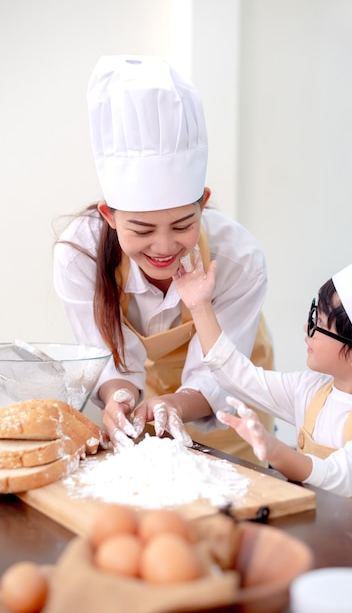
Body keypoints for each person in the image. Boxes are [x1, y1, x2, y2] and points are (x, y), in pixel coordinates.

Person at [53, 54, 274, 463]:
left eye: (182, 225)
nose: (163, 246)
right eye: (140, 230)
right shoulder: (78, 254)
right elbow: (106, 356)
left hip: (231, 409)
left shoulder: (239, 259)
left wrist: (179, 402)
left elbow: (218, 376)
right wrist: (118, 396)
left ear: (203, 204)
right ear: (109, 215)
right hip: (151, 397)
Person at [173, 227, 352, 518]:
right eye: (312, 316)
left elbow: (340, 476)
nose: (307, 328)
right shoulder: (310, 389)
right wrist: (199, 306)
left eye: (319, 324)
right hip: (324, 529)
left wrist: (274, 450)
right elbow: (237, 377)